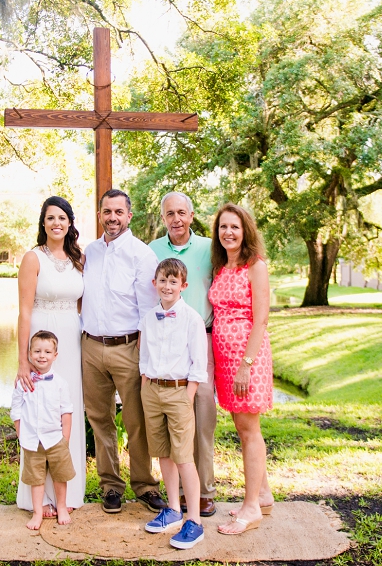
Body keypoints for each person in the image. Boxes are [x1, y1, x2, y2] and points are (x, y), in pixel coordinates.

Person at [81, 189, 167, 514]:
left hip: (128, 347)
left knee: (136, 420)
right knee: (100, 419)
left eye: (119, 211)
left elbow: (149, 312)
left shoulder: (141, 255)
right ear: (100, 214)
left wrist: (146, 359)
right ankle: (111, 486)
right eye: (107, 211)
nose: (112, 217)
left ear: (129, 215)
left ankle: (145, 486)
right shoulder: (89, 252)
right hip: (90, 347)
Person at [149, 191, 217, 518]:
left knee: (201, 416)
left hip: (201, 338)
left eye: (181, 213)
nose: (176, 219)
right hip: (164, 346)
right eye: (169, 214)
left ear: (191, 215)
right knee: (168, 426)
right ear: (163, 218)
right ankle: (174, 499)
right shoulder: (153, 250)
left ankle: (203, 492)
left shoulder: (208, 247)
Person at [15, 196, 85, 515]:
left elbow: (83, 305)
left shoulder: (78, 258)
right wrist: (22, 360)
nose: (56, 223)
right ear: (43, 223)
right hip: (40, 337)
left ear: (70, 223)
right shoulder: (33, 258)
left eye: (62, 218)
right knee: (38, 412)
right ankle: (39, 497)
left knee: (66, 409)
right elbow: (24, 312)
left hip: (71, 339)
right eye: (50, 218)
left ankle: (67, 495)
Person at [208, 203, 274, 536]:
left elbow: (261, 319)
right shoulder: (222, 266)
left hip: (247, 357)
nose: (228, 233)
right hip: (225, 358)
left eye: (234, 227)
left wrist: (246, 365)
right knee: (241, 426)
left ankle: (250, 510)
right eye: (223, 227)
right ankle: (262, 494)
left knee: (250, 430)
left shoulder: (255, 265)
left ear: (245, 229)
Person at [139, 258, 208, 549]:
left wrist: (188, 395)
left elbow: (199, 363)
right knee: (163, 453)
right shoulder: (148, 316)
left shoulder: (192, 318)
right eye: (162, 281)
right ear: (155, 284)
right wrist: (145, 384)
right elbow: (144, 354)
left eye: (173, 281)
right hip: (151, 390)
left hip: (180, 391)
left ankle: (195, 521)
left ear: (183, 285)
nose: (167, 286)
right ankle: (173, 510)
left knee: (183, 456)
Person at [10, 331, 75, 530]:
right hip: (31, 441)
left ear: (55, 355)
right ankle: (37, 511)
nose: (42, 355)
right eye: (37, 351)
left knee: (60, 475)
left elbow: (66, 412)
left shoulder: (60, 384)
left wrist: (65, 438)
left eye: (47, 351)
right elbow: (16, 410)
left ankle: (61, 507)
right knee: (35, 478)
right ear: (29, 353)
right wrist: (22, 435)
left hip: (55, 439)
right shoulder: (23, 382)